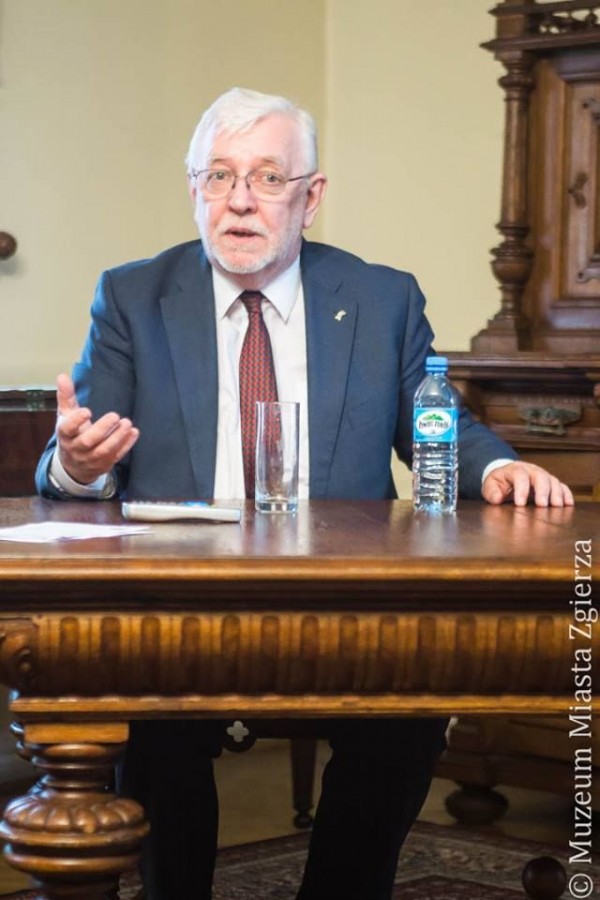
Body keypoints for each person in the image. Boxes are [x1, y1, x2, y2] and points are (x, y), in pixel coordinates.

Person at [36, 87, 573, 900]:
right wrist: (79, 465)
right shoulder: (133, 296)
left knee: (411, 708)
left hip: (343, 595)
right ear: (194, 190)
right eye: (219, 176)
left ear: (310, 197)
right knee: (148, 724)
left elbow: (435, 425)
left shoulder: (382, 299)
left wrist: (498, 468)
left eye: (267, 177)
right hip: (179, 600)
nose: (239, 200)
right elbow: (78, 451)